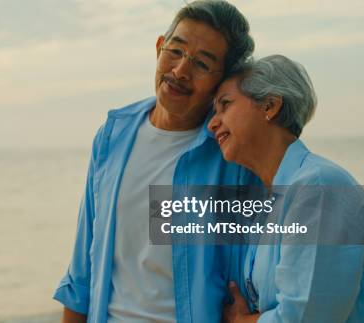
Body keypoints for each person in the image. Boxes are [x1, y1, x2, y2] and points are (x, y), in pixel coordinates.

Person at [53, 1, 260, 322]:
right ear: (159, 47)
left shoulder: (232, 153)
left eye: (202, 64)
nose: (180, 71)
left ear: (223, 82)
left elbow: (264, 265)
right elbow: (83, 266)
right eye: (175, 51)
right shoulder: (113, 134)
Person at [208, 54, 364, 322]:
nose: (212, 123)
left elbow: (306, 317)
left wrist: (241, 321)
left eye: (224, 105)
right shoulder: (274, 201)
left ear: (270, 106)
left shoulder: (319, 188)